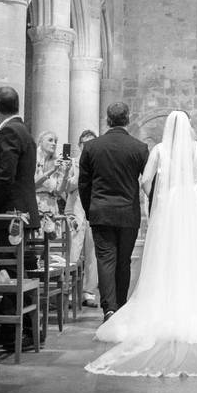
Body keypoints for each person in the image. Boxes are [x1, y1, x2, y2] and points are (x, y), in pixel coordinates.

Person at [85, 111, 197, 377]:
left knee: (168, 257)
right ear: (189, 127)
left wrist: (158, 198)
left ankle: (163, 305)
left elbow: (145, 181)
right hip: (195, 203)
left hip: (169, 205)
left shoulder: (158, 149)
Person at [78, 102, 149, 321]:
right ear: (128, 118)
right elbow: (147, 181)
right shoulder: (139, 147)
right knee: (124, 260)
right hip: (128, 212)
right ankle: (121, 304)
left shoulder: (92, 147)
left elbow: (84, 183)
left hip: (101, 210)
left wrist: (91, 210)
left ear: (108, 120)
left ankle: (109, 308)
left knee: (105, 259)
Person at [0, 86, 40, 348]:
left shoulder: (8, 131)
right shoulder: (24, 130)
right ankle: (12, 329)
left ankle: (20, 331)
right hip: (21, 211)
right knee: (14, 270)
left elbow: (4, 176)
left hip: (10, 214)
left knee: (11, 270)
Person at [63, 129, 99, 306]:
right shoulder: (72, 164)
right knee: (73, 251)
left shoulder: (99, 163)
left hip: (92, 211)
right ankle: (68, 291)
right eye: (85, 144)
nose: (88, 147)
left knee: (92, 252)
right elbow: (67, 187)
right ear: (79, 145)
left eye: (91, 143)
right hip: (75, 211)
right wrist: (79, 171)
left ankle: (89, 292)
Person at [34, 130, 71, 215]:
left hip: (52, 209)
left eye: (55, 141)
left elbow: (58, 191)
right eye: (50, 140)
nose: (54, 144)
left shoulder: (56, 162)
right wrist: (52, 170)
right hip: (36, 205)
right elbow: (33, 184)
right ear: (40, 142)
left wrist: (66, 172)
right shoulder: (34, 159)